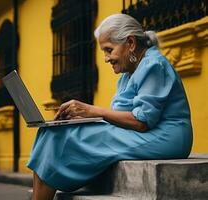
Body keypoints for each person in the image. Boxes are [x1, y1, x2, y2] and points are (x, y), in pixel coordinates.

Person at [27, 14, 193, 200]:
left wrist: (92, 111)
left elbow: (142, 122)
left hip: (166, 137)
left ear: (130, 43)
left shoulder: (154, 65)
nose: (106, 59)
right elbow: (121, 115)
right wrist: (83, 117)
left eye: (108, 50)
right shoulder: (128, 73)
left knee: (60, 136)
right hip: (144, 131)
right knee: (49, 132)